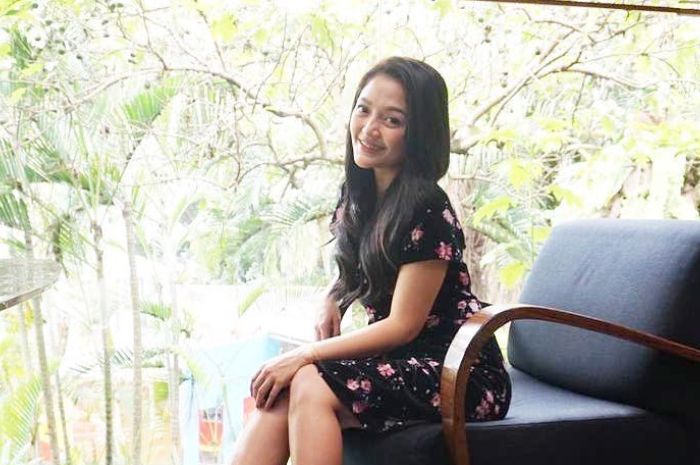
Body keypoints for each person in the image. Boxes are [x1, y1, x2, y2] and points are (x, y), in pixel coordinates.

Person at [231, 56, 511, 465]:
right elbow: (362, 266)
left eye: (392, 120)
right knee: (282, 389)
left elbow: (403, 325)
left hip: (459, 370)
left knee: (307, 379)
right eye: (363, 110)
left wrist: (306, 353)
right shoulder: (359, 193)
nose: (369, 129)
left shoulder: (428, 208)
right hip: (399, 363)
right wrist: (333, 296)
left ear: (419, 133)